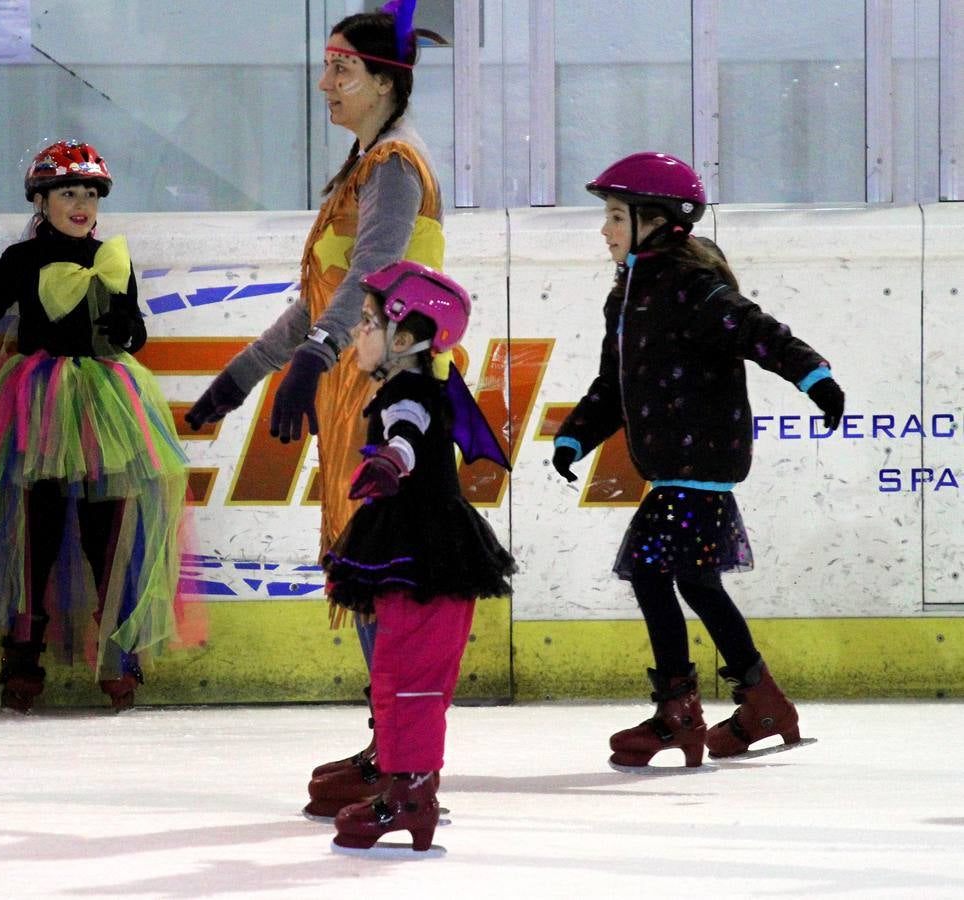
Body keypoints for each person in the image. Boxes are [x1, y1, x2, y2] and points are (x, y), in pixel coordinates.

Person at [184, 0, 446, 801]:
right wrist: (246, 373)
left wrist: (318, 356)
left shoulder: (396, 166)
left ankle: (406, 763)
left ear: (384, 82)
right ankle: (389, 746)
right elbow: (319, 296)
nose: (325, 81)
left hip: (388, 388)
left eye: (343, 70)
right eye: (327, 65)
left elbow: (374, 277)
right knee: (363, 568)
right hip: (348, 381)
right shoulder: (365, 166)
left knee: (382, 573)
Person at [552, 152, 845, 770]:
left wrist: (815, 377)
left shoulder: (693, 288)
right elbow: (614, 384)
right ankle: (764, 705)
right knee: (695, 582)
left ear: (658, 221)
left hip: (701, 459)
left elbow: (760, 332)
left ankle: (677, 714)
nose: (603, 231)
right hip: (675, 465)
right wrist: (575, 436)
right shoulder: (625, 299)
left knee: (654, 572)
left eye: (613, 216)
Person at [0, 139, 189, 713]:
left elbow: (136, 333)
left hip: (108, 402)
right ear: (42, 201)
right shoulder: (21, 259)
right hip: (40, 402)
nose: (81, 203)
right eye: (67, 193)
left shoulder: (113, 257)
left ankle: (115, 648)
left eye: (90, 194)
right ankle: (23, 649)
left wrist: (129, 324)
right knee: (36, 531)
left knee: (108, 532)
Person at [312, 260, 513, 856]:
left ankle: (410, 794)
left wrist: (391, 461)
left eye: (368, 322)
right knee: (400, 674)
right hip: (421, 544)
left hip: (427, 551)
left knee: (411, 679)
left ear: (405, 339)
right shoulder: (407, 385)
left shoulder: (410, 390)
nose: (356, 332)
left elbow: (408, 429)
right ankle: (402, 785)